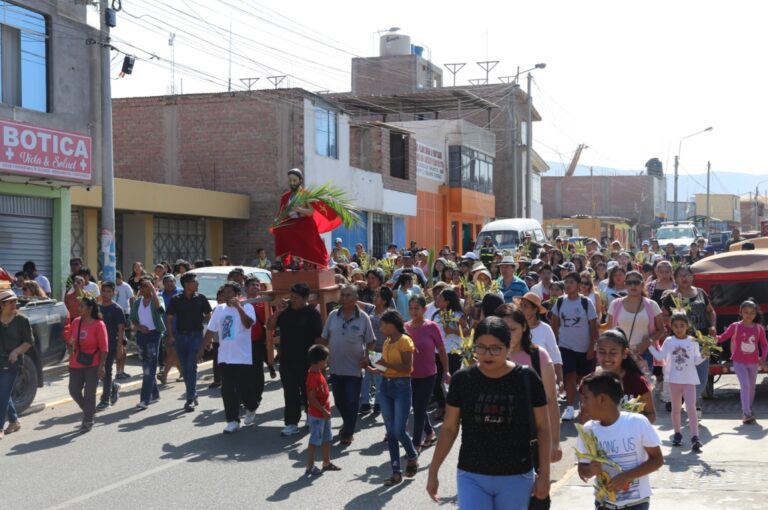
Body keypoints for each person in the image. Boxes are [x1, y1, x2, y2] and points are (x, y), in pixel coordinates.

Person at [427, 317, 551, 508]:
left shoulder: (527, 378)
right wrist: (433, 471)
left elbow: (543, 428)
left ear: (508, 346)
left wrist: (545, 475)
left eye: (495, 348)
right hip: (471, 474)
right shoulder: (463, 379)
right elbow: (449, 429)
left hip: (516, 474)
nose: (487, 354)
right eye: (481, 347)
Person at [576, 372, 663, 510]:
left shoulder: (637, 422)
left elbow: (657, 460)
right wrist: (589, 470)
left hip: (636, 504)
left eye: (586, 398)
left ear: (602, 399)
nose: (582, 404)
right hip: (604, 505)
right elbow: (582, 470)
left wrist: (627, 476)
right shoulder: (588, 430)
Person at [495, 304, 562, 465]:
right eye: (502, 330)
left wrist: (555, 442)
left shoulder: (539, 356)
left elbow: (551, 401)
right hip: (497, 439)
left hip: (532, 438)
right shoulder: (489, 357)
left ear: (524, 327)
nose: (508, 335)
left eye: (513, 329)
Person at [319, 285, 375, 445]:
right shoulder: (332, 316)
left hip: (355, 369)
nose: (344, 298)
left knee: (352, 401)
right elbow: (324, 339)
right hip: (335, 368)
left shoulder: (364, 317)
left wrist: (367, 358)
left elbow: (371, 343)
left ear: (356, 298)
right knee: (340, 401)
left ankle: (348, 432)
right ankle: (348, 423)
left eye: (348, 295)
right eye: (342, 295)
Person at [660, 265, 717, 418]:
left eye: (687, 275)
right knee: (683, 373)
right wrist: (676, 318)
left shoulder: (701, 293)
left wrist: (712, 326)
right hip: (680, 343)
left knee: (702, 377)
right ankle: (691, 405)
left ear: (693, 277)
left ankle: (688, 398)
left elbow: (710, 311)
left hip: (702, 341)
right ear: (675, 278)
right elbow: (662, 317)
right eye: (680, 275)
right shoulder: (671, 296)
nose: (684, 278)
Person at [267, 283, 323, 437]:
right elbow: (269, 326)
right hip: (287, 360)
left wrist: (320, 359)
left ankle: (311, 417)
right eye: (291, 297)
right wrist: (277, 312)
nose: (292, 300)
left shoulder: (312, 314)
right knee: (290, 393)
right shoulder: (285, 311)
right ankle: (291, 423)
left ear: (305, 298)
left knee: (308, 392)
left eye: (296, 298)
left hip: (307, 360)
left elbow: (319, 337)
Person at [202, 281, 258, 434]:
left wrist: (239, 307)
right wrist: (201, 349)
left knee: (243, 389)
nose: (227, 296)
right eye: (224, 293)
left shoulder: (247, 306)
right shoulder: (219, 310)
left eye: (230, 293)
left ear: (238, 294)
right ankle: (232, 420)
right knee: (227, 390)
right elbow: (211, 331)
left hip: (242, 356)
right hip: (225, 356)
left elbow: (248, 324)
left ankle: (252, 407)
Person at [371, 310, 419, 486]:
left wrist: (385, 364)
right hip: (385, 386)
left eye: (383, 324)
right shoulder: (387, 342)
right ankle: (396, 472)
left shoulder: (406, 341)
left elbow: (407, 368)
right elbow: (383, 368)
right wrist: (370, 368)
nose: (381, 327)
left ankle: (412, 456)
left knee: (398, 430)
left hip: (401, 387)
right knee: (391, 432)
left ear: (391, 325)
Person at [648, 312, 705, 450]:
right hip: (674, 380)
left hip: (689, 380)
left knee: (691, 408)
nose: (679, 329)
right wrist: (649, 346)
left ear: (687, 326)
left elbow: (696, 361)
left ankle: (695, 436)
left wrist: (705, 354)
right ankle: (677, 434)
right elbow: (660, 356)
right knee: (676, 409)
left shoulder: (692, 341)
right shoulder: (669, 341)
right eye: (676, 326)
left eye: (682, 325)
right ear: (671, 327)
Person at [550, 271, 598, 421]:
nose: (568, 285)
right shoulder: (560, 302)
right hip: (565, 346)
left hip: (584, 347)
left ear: (578, 285)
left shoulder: (586, 303)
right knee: (569, 375)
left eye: (571, 282)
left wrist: (591, 347)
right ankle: (570, 408)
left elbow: (593, 327)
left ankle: (584, 406)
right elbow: (554, 324)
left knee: (583, 379)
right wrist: (554, 345)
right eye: (566, 282)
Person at [581, 329, 656, 424]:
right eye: (602, 352)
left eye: (613, 353)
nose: (607, 357)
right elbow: (584, 416)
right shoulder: (588, 382)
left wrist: (633, 428)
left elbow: (651, 415)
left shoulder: (638, 381)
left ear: (624, 353)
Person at [272, 168, 342, 267]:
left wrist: (299, 209)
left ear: (300, 180)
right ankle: (279, 261)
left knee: (295, 232)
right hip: (291, 222)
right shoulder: (285, 197)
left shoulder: (306, 195)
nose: (292, 183)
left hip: (304, 223)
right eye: (290, 180)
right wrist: (277, 220)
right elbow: (281, 212)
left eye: (294, 180)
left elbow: (311, 212)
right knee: (279, 228)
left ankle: (296, 260)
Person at [405, 296, 449, 452]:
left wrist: (446, 371)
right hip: (409, 376)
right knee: (418, 406)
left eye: (417, 308)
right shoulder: (405, 327)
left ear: (424, 309)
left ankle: (416, 443)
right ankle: (430, 433)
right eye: (411, 308)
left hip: (429, 375)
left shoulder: (432, 327)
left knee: (418, 408)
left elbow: (442, 350)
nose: (413, 311)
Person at [166, 272, 213, 412]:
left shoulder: (201, 298)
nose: (197, 284)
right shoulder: (176, 299)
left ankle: (190, 398)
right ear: (187, 284)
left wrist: (206, 337)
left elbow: (209, 316)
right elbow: (169, 318)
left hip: (196, 336)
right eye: (195, 282)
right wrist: (170, 335)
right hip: (180, 336)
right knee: (185, 368)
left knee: (191, 366)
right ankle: (193, 392)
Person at [716, 299, 768, 423]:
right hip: (739, 361)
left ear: (756, 314)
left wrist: (763, 358)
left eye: (752, 312)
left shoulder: (759, 328)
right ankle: (746, 413)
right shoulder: (735, 326)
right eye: (746, 312)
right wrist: (711, 338)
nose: (749, 315)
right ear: (740, 312)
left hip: (753, 362)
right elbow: (722, 337)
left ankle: (748, 410)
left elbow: (765, 345)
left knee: (752, 388)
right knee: (745, 385)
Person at [605, 271, 665, 377]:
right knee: (621, 387)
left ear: (642, 285)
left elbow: (661, 330)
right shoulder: (615, 304)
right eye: (629, 282)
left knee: (644, 388)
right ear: (625, 285)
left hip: (644, 353)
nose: (633, 286)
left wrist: (647, 343)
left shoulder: (652, 305)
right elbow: (610, 332)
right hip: (621, 353)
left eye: (636, 282)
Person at [66, 296, 108, 433]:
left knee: (90, 393)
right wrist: (71, 345)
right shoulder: (76, 322)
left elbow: (104, 347)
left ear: (90, 309)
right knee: (73, 390)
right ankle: (89, 409)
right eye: (79, 306)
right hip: (76, 362)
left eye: (82, 306)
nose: (79, 308)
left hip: (93, 363)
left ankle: (88, 419)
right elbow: (71, 341)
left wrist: (102, 366)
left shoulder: (98, 324)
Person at [515, 292, 564, 395]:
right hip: (518, 378)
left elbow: (554, 353)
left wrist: (559, 378)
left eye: (526, 305)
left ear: (535, 309)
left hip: (541, 378)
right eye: (521, 305)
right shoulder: (515, 328)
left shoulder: (545, 329)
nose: (521, 308)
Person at [0, 289, 34, 439]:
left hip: (11, 363)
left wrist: (16, 352)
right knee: (4, 393)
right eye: (10, 302)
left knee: (2, 394)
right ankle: (14, 421)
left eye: (15, 301)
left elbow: (29, 342)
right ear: (1, 305)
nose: (14, 304)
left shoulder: (22, 320)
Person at [129, 276, 165, 410]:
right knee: (145, 366)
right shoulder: (138, 302)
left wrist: (153, 290)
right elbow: (132, 319)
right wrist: (139, 328)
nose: (142, 289)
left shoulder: (158, 299)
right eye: (142, 286)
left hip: (154, 336)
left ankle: (145, 399)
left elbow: (160, 310)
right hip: (141, 336)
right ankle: (155, 393)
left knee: (149, 369)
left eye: (145, 286)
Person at [305, 344, 341, 476]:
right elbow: (311, 398)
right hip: (318, 415)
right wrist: (323, 411)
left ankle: (326, 462)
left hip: (324, 414)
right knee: (314, 440)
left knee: (326, 438)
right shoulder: (312, 377)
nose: (327, 362)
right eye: (326, 360)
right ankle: (309, 465)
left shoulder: (318, 372)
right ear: (320, 361)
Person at [358, 286, 394, 415]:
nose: (375, 297)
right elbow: (356, 302)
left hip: (382, 351)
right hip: (369, 350)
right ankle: (365, 403)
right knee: (366, 378)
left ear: (384, 301)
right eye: (375, 294)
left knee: (379, 379)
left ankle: (379, 403)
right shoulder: (370, 308)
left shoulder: (389, 314)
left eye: (378, 296)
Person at [96, 282, 125, 411]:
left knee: (106, 371)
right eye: (104, 291)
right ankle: (113, 387)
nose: (106, 294)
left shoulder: (117, 309)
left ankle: (105, 400)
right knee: (99, 372)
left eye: (109, 291)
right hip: (97, 345)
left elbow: (121, 330)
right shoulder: (96, 308)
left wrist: (119, 347)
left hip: (111, 345)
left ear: (113, 293)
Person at [430, 288, 468, 376]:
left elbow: (467, 331)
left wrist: (452, 331)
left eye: (440, 297)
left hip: (453, 353)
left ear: (447, 302)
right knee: (437, 383)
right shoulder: (436, 314)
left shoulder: (457, 314)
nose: (437, 298)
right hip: (437, 352)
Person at [158, 274, 182, 385]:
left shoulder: (181, 292)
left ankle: (164, 375)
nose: (169, 284)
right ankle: (184, 373)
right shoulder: (160, 295)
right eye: (167, 282)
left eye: (171, 281)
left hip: (180, 327)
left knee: (173, 352)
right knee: (171, 352)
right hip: (166, 328)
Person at [113, 271, 133, 380]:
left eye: (118, 278)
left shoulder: (126, 286)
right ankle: (118, 371)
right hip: (114, 316)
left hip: (125, 313)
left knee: (122, 344)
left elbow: (131, 298)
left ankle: (121, 370)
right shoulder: (111, 287)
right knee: (119, 346)